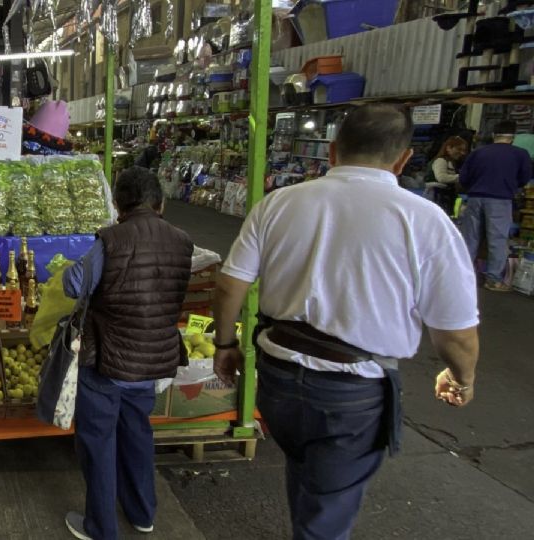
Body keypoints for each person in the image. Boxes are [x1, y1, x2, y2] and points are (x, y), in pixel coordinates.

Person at [212, 104, 480, 540]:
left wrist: (225, 346)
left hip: (277, 379)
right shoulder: (426, 222)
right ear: (404, 158)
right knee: (325, 518)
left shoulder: (277, 204)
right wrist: (461, 378)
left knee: (308, 478)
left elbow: (229, 287)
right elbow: (457, 334)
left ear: (332, 151)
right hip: (350, 395)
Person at [61, 166, 194, 540]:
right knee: (137, 435)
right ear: (161, 203)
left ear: (117, 204)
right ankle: (142, 513)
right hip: (152, 361)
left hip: (107, 360)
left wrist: (70, 267)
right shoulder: (183, 240)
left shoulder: (111, 240)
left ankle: (101, 527)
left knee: (98, 443)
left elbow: (75, 284)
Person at [458, 120, 533, 291]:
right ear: (513, 137)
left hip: (475, 198)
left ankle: (462, 276)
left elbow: (463, 178)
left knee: (470, 238)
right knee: (497, 240)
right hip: (500, 199)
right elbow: (524, 178)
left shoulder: (478, 153)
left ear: (493, 135)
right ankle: (493, 280)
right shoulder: (520, 154)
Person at [425, 135, 468, 215]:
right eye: (459, 149)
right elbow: (441, 178)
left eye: (463, 150)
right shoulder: (440, 161)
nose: (462, 153)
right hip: (437, 196)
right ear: (448, 148)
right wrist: (461, 176)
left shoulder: (452, 163)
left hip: (446, 197)